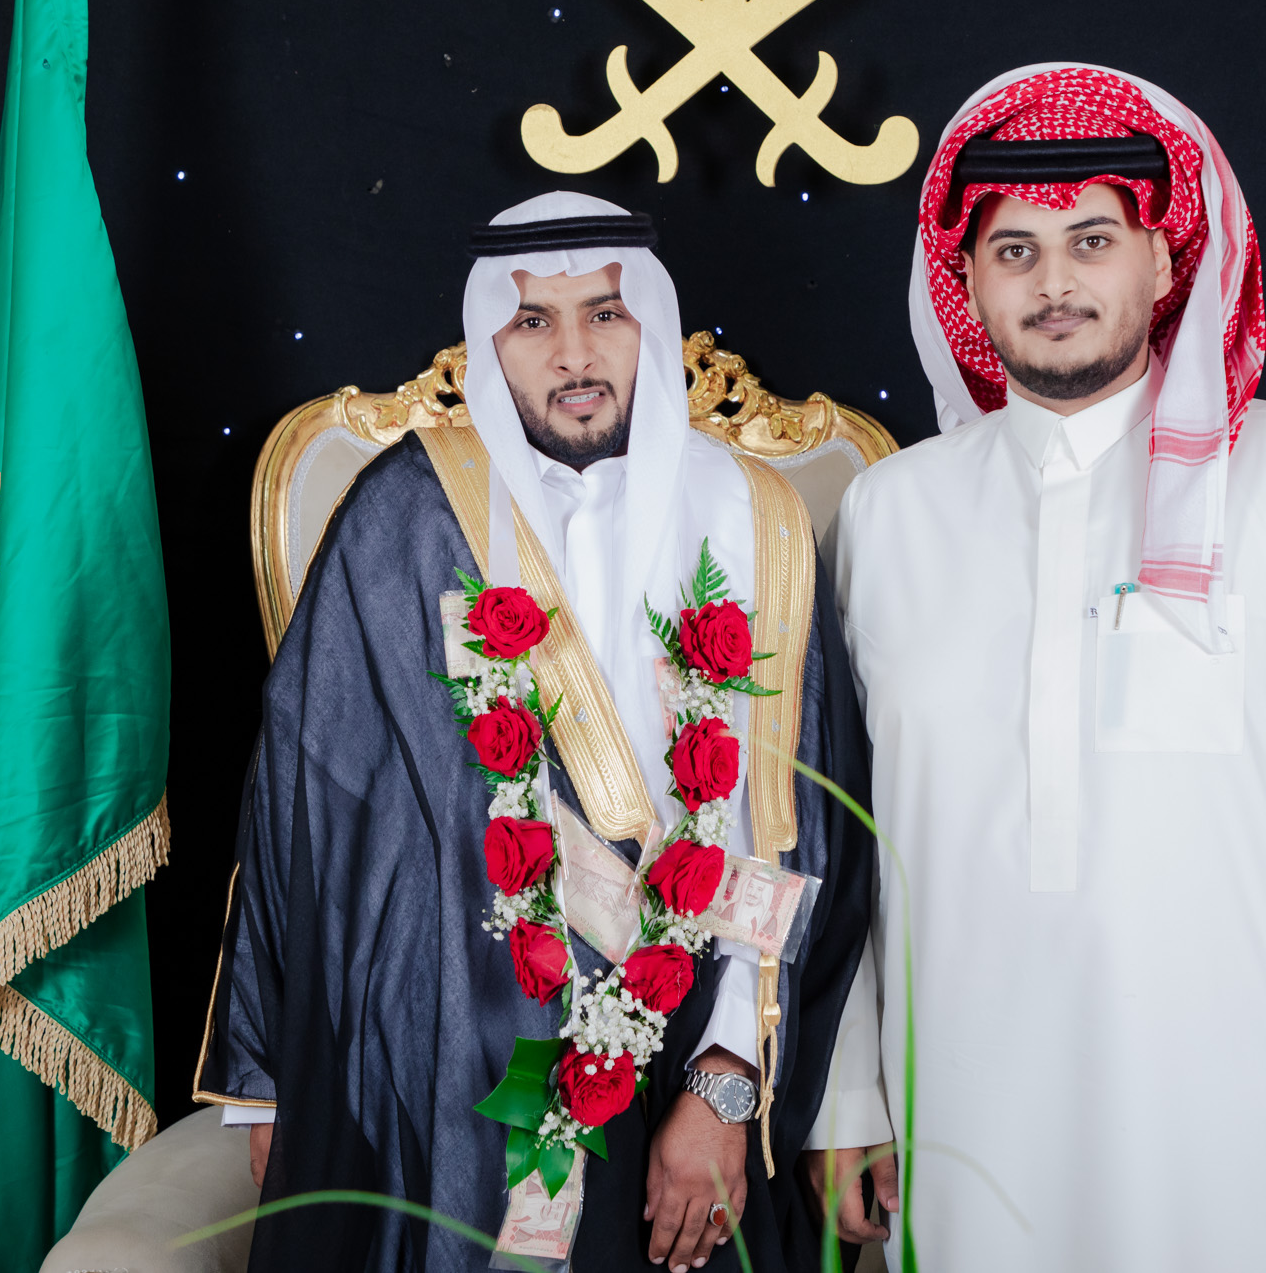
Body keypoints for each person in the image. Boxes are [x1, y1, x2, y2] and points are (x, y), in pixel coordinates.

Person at [801, 65, 1266, 1271]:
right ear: (962, 280)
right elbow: (839, 834)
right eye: (1012, 251)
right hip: (971, 1114)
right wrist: (848, 1094)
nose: (1052, 283)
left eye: (1091, 240)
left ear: (1165, 263)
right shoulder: (890, 515)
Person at [195, 192, 874, 1273]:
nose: (573, 354)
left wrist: (724, 1083)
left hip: (687, 1043)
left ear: (650, 322)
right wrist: (273, 1085)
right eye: (532, 322)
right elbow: (306, 799)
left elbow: (794, 835)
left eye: (605, 313)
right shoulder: (406, 514)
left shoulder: (754, 518)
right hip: (441, 1062)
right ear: (488, 341)